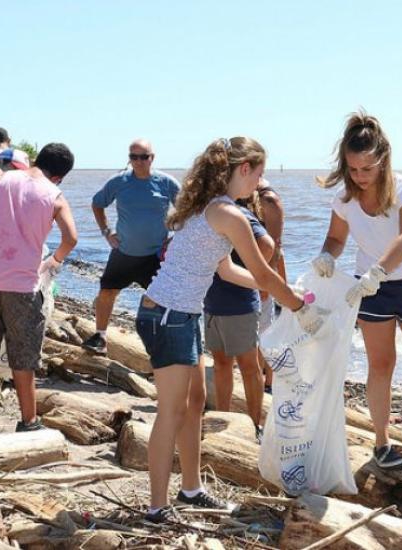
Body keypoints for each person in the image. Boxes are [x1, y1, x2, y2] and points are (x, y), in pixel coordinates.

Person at [136, 137, 328, 520]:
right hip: (168, 316)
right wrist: (296, 306)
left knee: (193, 408)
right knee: (171, 412)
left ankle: (190, 490)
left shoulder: (211, 209)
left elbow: (229, 271)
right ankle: (157, 508)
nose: (259, 183)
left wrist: (289, 293)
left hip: (181, 314)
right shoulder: (229, 215)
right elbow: (262, 271)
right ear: (244, 169)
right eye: (258, 174)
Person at [312, 111, 402, 469]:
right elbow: (336, 237)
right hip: (370, 289)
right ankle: (382, 440)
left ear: (383, 160)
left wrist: (379, 270)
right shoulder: (344, 199)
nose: (359, 177)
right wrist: (327, 255)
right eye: (353, 169)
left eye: (366, 169)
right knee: (381, 364)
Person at [0, 143, 77, 436]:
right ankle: (28, 421)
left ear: (36, 160)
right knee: (23, 358)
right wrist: (53, 260)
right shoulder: (54, 195)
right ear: (60, 176)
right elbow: (71, 237)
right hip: (24, 285)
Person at [82, 140, 180, 356]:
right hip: (123, 253)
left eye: (143, 157)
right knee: (107, 292)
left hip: (154, 255)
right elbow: (97, 203)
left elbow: (187, 210)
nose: (138, 161)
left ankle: (165, 344)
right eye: (133, 157)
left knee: (162, 299)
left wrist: (175, 238)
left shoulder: (166, 182)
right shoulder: (119, 182)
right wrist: (106, 232)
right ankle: (100, 336)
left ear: (152, 158)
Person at [203, 202, 274, 441]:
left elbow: (267, 244)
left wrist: (253, 272)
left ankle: (255, 425)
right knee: (222, 363)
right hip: (211, 302)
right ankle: (224, 418)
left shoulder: (238, 213)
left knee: (249, 366)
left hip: (240, 303)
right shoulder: (207, 211)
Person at [253, 179, 287, 392]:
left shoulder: (267, 199)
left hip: (264, 273)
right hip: (250, 271)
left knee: (265, 332)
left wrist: (272, 285)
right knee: (261, 331)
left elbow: (277, 248)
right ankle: (262, 379)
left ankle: (267, 383)